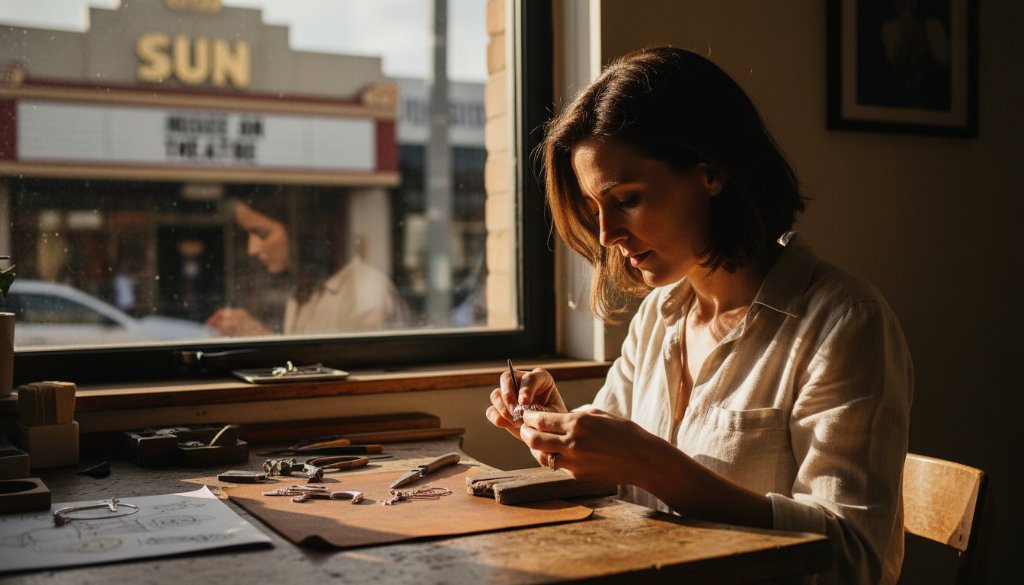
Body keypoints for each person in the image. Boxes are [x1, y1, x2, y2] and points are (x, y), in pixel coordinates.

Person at [486, 47, 912, 585]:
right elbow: (616, 481)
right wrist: (556, 431)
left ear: (710, 172)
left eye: (628, 199)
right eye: (595, 208)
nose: (607, 236)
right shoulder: (659, 317)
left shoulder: (842, 323)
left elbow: (854, 561)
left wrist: (650, 464)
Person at [206, 189, 408, 336]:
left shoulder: (367, 293)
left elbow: (353, 380)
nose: (252, 249)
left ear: (300, 230)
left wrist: (261, 338)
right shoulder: (304, 289)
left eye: (262, 233)